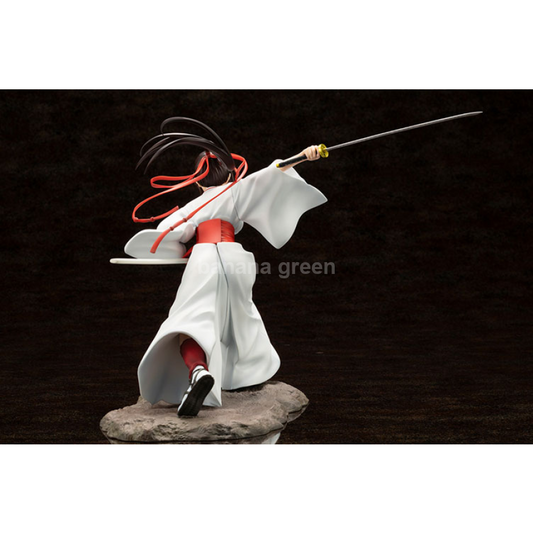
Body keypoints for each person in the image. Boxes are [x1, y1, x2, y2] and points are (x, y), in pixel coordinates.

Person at [124, 117, 327, 416]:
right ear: (230, 172)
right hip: (236, 259)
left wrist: (178, 244)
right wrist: (305, 155)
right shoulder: (237, 190)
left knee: (189, 320)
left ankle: (198, 371)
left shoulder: (191, 208)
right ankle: (242, 374)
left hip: (205, 258)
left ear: (197, 180)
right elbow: (273, 171)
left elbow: (164, 234)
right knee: (238, 318)